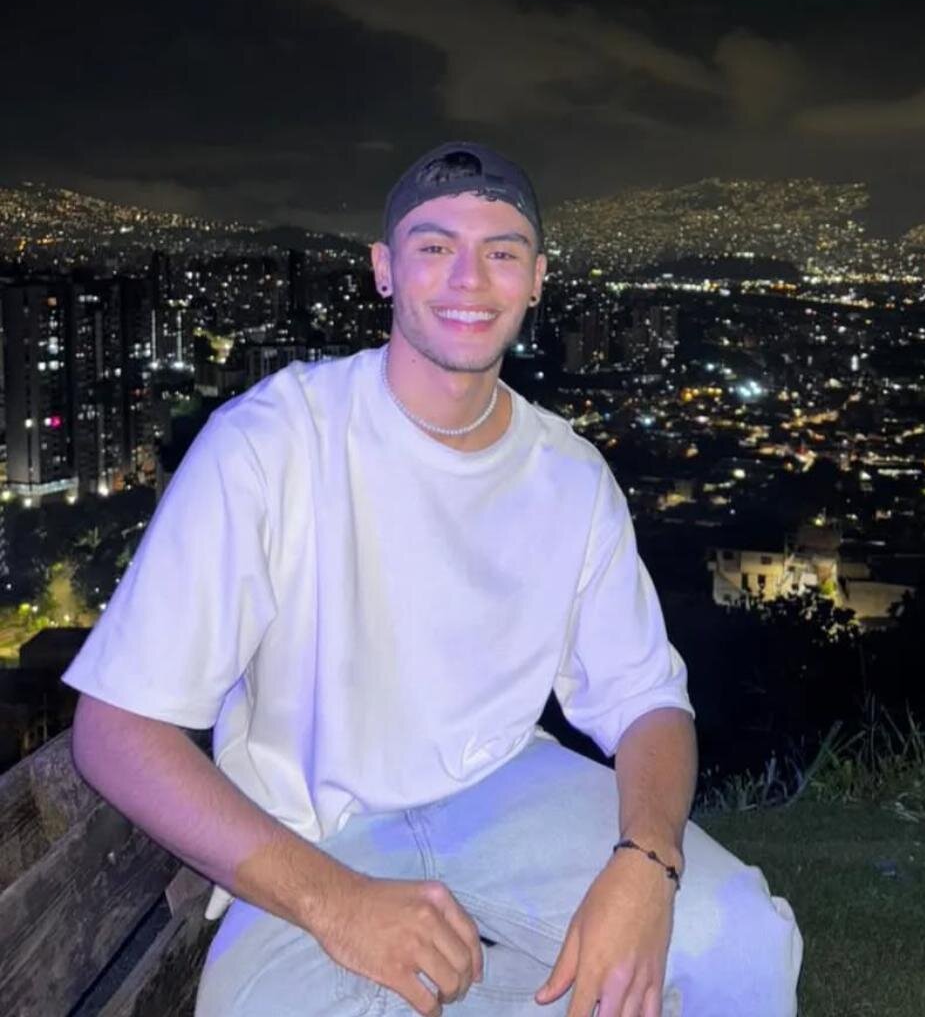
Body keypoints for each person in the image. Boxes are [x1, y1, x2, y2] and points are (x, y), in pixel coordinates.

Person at [64, 142, 802, 1017]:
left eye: (501, 251)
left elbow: (647, 701)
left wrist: (647, 861)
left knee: (740, 943)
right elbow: (115, 728)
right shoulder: (272, 442)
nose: (468, 279)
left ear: (537, 279)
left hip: (507, 790)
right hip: (317, 831)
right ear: (383, 268)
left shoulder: (568, 475)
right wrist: (334, 903)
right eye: (434, 246)